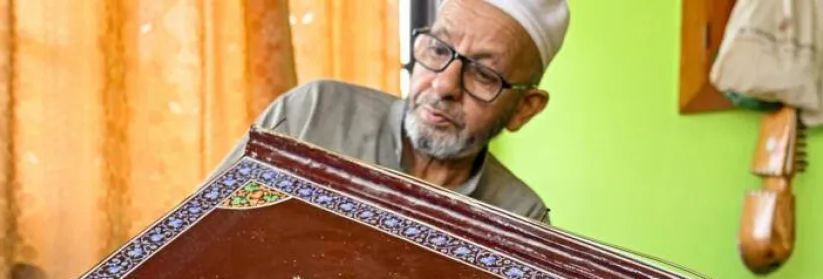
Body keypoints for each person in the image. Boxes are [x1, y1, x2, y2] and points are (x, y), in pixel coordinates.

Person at [216, 0, 569, 224]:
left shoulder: (521, 216)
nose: (444, 85)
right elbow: (202, 233)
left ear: (524, 108)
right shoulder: (313, 114)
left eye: (483, 73)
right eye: (437, 48)